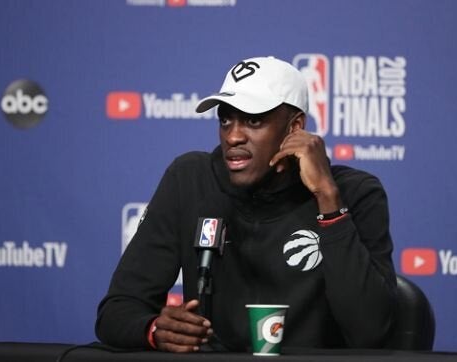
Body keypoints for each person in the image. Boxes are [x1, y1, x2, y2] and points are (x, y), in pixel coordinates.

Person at [95, 56, 397, 353]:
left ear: (295, 129)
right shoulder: (190, 180)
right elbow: (117, 311)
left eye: (253, 120)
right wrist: (155, 330)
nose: (233, 136)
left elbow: (371, 334)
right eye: (225, 119)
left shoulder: (354, 192)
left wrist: (327, 199)